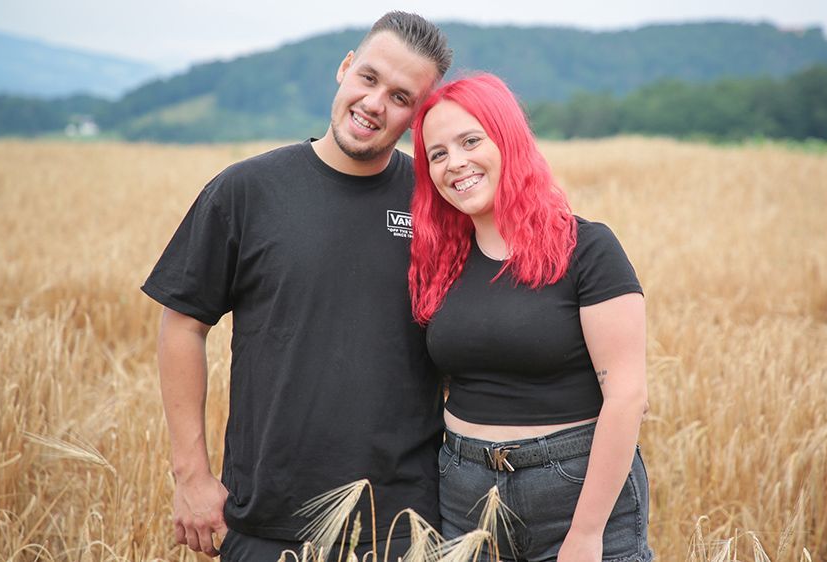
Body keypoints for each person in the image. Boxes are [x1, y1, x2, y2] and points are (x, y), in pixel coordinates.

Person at [142, 12, 451, 561]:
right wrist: (191, 476)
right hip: (266, 522)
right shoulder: (246, 191)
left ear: (419, 115)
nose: (376, 103)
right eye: (370, 78)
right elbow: (183, 323)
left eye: (402, 97)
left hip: (405, 528)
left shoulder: (436, 205)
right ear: (345, 68)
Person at [409, 74, 653, 562]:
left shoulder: (587, 249)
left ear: (508, 140)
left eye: (470, 141)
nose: (455, 163)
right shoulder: (440, 261)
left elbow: (627, 396)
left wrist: (586, 534)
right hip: (464, 492)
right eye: (437, 154)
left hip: (572, 491)